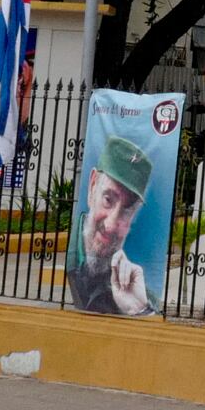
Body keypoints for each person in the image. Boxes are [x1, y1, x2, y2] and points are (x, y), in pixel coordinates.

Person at [69, 123, 155, 317]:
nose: (110, 225)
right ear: (92, 187)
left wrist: (137, 308)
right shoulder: (70, 262)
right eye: (108, 199)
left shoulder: (140, 292)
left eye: (126, 210)